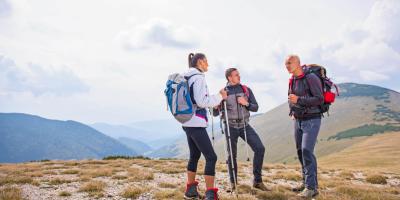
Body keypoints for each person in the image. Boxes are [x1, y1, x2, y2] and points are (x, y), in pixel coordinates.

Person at [213, 68, 268, 191]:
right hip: (230, 127)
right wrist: (216, 105)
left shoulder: (246, 90)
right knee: (231, 156)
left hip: (245, 125)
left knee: (260, 148)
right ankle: (233, 184)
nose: (239, 76)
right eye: (236, 75)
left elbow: (255, 107)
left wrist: (246, 103)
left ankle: (257, 181)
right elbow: (215, 113)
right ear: (229, 77)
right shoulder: (223, 92)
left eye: (238, 74)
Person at [182, 53, 228, 200]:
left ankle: (190, 190)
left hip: (186, 121)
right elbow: (201, 102)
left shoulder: (186, 76)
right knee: (211, 157)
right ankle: (210, 194)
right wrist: (220, 96)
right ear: (200, 62)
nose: (208, 64)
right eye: (207, 61)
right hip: (196, 122)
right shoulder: (199, 77)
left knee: (194, 156)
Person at [285, 54, 324, 198]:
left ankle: (311, 188)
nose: (287, 66)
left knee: (307, 150)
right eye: (286, 64)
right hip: (298, 119)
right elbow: (290, 97)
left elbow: (319, 99)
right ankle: (306, 183)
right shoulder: (292, 80)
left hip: (312, 119)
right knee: (300, 152)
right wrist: (292, 111)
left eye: (289, 63)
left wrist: (299, 99)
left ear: (298, 63)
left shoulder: (310, 78)